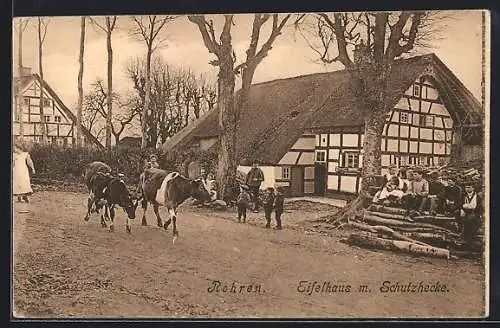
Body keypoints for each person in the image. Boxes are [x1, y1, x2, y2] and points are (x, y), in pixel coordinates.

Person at [460, 181, 482, 247]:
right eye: (466, 187)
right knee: (459, 215)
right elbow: (460, 204)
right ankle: (462, 236)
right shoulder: (464, 195)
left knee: (470, 220)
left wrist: (465, 205)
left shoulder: (477, 196)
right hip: (466, 212)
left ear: (473, 188)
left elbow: (475, 207)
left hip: (475, 213)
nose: (467, 189)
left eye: (469, 187)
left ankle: (468, 240)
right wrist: (462, 209)